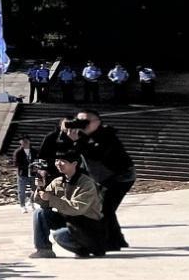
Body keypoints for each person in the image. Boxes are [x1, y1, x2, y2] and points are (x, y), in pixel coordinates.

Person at [74, 109, 136, 251]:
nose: (83, 125)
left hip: (121, 177)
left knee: (103, 208)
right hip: (104, 177)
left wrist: (79, 141)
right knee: (106, 208)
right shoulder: (82, 136)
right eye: (80, 121)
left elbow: (97, 154)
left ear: (98, 122)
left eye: (86, 122)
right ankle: (117, 240)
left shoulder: (107, 135)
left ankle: (111, 242)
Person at [30, 150, 104, 257]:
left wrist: (51, 198)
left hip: (87, 224)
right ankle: (44, 250)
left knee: (60, 236)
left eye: (63, 161)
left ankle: (91, 248)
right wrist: (40, 188)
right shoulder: (58, 181)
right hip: (70, 220)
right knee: (40, 213)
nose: (58, 164)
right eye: (57, 160)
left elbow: (76, 208)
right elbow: (44, 203)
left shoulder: (87, 184)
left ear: (74, 164)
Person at [12, 139, 36, 211]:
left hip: (33, 173)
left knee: (35, 189)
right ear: (20, 143)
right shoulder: (18, 152)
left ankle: (32, 202)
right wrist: (26, 165)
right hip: (22, 174)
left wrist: (35, 166)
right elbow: (15, 163)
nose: (25, 143)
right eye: (23, 142)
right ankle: (22, 205)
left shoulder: (34, 151)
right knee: (21, 191)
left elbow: (38, 159)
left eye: (26, 141)